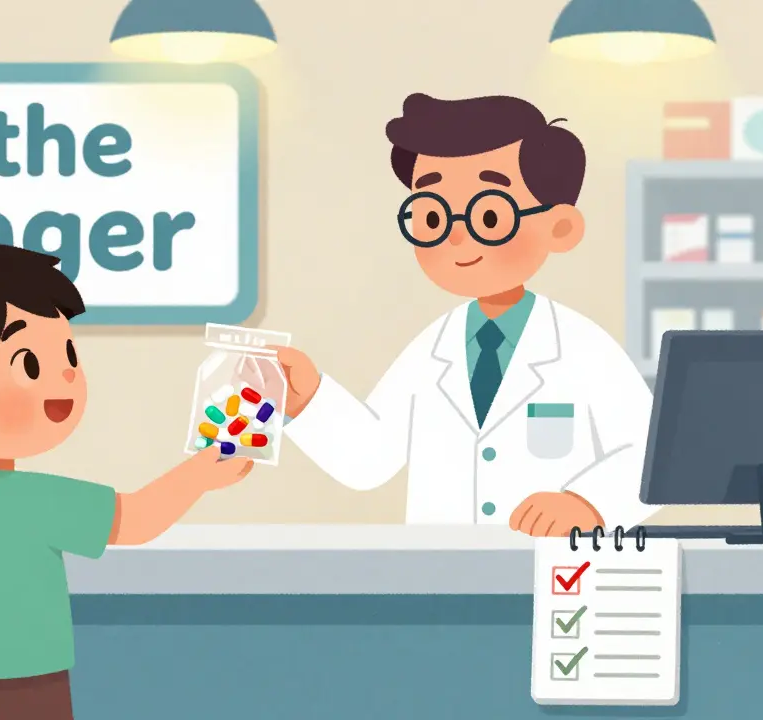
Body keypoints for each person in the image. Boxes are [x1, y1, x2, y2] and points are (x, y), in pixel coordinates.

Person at [0, 244, 254, 720]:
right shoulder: (41, 500)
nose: (66, 373)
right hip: (29, 686)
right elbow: (137, 520)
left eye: (67, 353)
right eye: (29, 364)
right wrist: (199, 475)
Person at [277, 93, 653, 535]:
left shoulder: (582, 348)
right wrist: (307, 399)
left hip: (556, 578)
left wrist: (587, 505)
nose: (455, 239)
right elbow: (371, 460)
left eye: (489, 215)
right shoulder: (433, 349)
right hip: (445, 579)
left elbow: (648, 453)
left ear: (560, 227)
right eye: (433, 218)